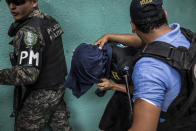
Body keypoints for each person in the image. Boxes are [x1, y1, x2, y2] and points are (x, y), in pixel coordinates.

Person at [94, 0, 196, 131]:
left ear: (133, 26)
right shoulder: (186, 36)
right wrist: (109, 36)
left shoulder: (148, 69)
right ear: (165, 15)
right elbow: (151, 43)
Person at [0, 0, 72, 130]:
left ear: (34, 2)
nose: (12, 7)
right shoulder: (50, 20)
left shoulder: (29, 32)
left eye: (18, 1)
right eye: (8, 1)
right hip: (58, 87)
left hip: (42, 93)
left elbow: (27, 75)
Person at [64, 43, 136, 131]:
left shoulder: (125, 64)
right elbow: (86, 54)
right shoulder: (100, 52)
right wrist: (80, 55)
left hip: (138, 98)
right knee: (104, 127)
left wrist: (113, 86)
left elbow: (143, 92)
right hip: (122, 91)